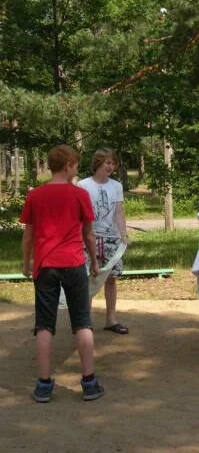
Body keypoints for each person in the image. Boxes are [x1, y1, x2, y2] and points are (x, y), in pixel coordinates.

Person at [20, 145, 105, 402]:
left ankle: (43, 386)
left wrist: (26, 262)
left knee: (44, 325)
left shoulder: (35, 195)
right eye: (76, 164)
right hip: (74, 263)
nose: (78, 168)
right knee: (82, 322)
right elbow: (88, 233)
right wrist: (94, 262)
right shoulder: (79, 195)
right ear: (67, 164)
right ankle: (89, 383)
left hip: (45, 265)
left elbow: (28, 236)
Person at [78, 148, 129, 335]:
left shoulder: (116, 186)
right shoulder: (83, 185)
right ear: (98, 162)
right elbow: (78, 215)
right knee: (88, 280)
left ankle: (111, 319)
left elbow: (119, 211)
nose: (111, 166)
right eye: (107, 162)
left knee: (112, 279)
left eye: (113, 163)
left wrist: (123, 233)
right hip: (89, 239)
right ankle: (85, 322)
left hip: (112, 239)